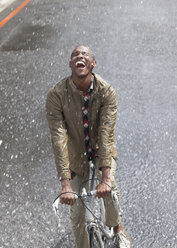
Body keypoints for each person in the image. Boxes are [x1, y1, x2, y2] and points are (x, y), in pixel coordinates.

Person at [46, 45, 132, 248]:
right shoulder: (56, 95)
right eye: (75, 54)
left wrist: (104, 178)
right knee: (76, 210)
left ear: (93, 64)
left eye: (85, 54)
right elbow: (59, 139)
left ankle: (118, 228)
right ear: (70, 64)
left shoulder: (107, 92)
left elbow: (106, 133)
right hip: (75, 154)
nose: (79, 56)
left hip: (102, 148)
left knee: (110, 186)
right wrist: (65, 185)